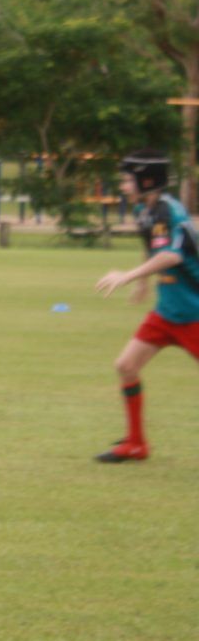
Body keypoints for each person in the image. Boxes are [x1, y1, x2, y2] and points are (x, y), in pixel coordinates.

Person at [93, 150, 199, 463]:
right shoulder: (146, 211)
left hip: (194, 315)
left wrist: (128, 276)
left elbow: (172, 256)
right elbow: (152, 249)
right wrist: (142, 282)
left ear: (147, 181)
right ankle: (136, 444)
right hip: (167, 313)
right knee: (126, 366)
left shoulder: (169, 212)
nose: (124, 186)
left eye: (128, 180)